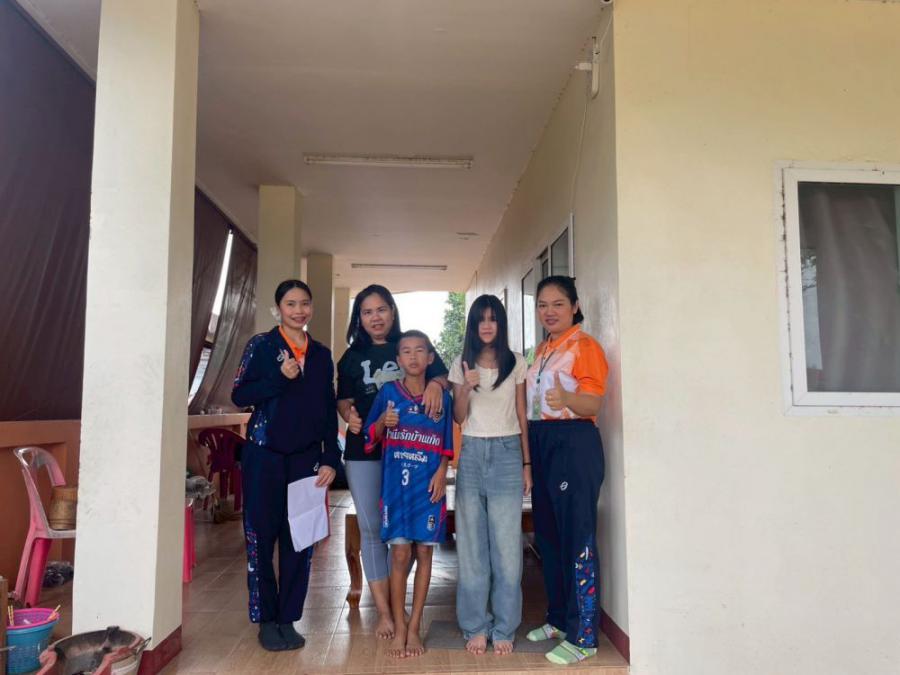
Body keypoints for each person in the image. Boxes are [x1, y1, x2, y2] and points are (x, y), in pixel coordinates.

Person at [232, 279, 339, 652]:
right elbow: (240, 394)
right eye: (291, 304)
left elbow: (327, 408)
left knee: (300, 540)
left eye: (304, 303)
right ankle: (266, 619)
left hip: (306, 460)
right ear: (279, 308)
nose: (299, 310)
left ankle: (288, 618)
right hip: (264, 456)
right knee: (261, 539)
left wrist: (330, 457)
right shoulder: (261, 346)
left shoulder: (321, 354)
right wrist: (279, 377)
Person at [336, 285, 448, 640]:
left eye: (381, 309)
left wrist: (436, 386)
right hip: (365, 451)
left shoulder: (410, 345)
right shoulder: (351, 357)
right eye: (367, 311)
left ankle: (398, 606)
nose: (375, 317)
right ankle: (386, 613)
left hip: (410, 452)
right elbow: (344, 400)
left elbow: (441, 376)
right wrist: (349, 416)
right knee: (372, 530)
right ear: (359, 317)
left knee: (404, 534)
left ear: (392, 311)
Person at [523, 276, 608, 666]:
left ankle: (584, 635)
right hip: (542, 441)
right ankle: (558, 619)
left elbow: (593, 404)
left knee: (576, 536)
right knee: (550, 536)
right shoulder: (542, 349)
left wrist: (568, 398)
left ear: (574, 307)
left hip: (573, 441)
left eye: (558, 304)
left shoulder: (585, 347)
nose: (549, 311)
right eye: (542, 305)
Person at [449, 294, 532, 656]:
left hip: (508, 452)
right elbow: (458, 417)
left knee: (507, 547)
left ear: (500, 323)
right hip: (471, 452)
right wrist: (466, 387)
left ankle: (504, 626)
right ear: (473, 324)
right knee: (471, 546)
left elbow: (522, 413)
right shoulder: (461, 363)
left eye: (493, 318)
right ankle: (474, 626)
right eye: (481, 319)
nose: (487, 325)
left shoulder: (516, 362)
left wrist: (527, 464)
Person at [364, 330, 453, 659]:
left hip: (429, 488)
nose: (413, 357)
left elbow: (446, 443)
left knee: (425, 554)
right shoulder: (388, 393)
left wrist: (442, 471)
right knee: (400, 554)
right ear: (398, 359)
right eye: (406, 351)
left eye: (420, 351)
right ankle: (400, 625)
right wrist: (383, 423)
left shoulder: (442, 398)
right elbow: (369, 436)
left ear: (430, 358)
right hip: (396, 490)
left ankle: (415, 626)